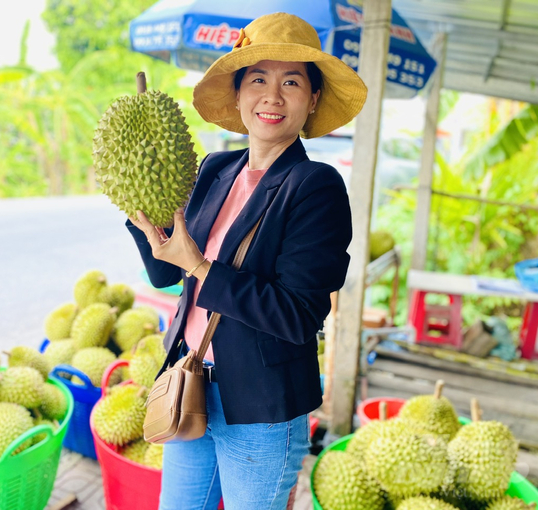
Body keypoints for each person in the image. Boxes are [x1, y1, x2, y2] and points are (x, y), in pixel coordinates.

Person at [126, 12, 367, 510]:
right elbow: (167, 272)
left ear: (313, 99)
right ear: (238, 94)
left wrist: (200, 266)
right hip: (189, 385)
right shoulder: (215, 168)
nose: (272, 96)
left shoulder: (315, 187)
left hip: (260, 410)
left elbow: (298, 316)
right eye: (258, 79)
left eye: (292, 82)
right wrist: (138, 212)